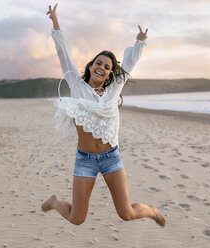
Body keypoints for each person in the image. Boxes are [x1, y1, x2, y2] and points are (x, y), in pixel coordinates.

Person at [42, 3, 165, 227]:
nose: (102, 67)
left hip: (111, 158)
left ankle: (150, 210)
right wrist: (56, 23)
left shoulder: (113, 90)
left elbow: (129, 63)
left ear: (110, 73)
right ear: (91, 66)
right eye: (98, 63)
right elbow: (64, 54)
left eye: (107, 67)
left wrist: (140, 42)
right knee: (77, 219)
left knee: (126, 213)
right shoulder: (77, 86)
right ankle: (54, 202)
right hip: (85, 160)